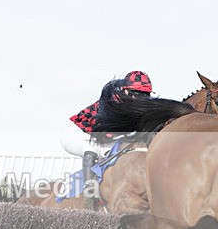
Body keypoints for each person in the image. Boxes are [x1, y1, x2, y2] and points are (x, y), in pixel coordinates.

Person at [60, 71, 153, 203]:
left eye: (146, 94)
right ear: (126, 91)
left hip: (102, 137)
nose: (142, 98)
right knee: (92, 148)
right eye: (137, 93)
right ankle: (90, 190)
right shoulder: (113, 103)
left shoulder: (134, 103)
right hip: (77, 135)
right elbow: (110, 132)